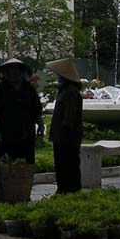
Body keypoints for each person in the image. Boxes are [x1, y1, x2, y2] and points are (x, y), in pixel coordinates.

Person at [0, 58, 43, 164]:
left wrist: (40, 125)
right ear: (6, 73)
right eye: (11, 71)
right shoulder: (0, 90)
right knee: (4, 165)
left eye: (16, 70)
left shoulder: (29, 89)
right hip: (6, 133)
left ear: (21, 72)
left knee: (27, 164)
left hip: (26, 132)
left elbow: (37, 109)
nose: (14, 74)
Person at [47, 57, 84, 194]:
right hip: (64, 136)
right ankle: (65, 189)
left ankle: (68, 190)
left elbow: (69, 115)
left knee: (68, 165)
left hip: (66, 137)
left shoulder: (70, 92)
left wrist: (64, 131)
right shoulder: (67, 91)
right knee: (64, 164)